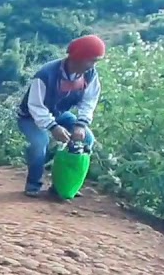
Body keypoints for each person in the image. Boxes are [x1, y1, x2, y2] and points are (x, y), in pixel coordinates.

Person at [16, 34, 106, 197]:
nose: (92, 66)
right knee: (39, 144)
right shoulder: (46, 75)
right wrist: (53, 127)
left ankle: (64, 184)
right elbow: (35, 105)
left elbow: (89, 100)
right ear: (78, 57)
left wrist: (81, 124)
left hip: (59, 113)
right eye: (91, 60)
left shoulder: (90, 75)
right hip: (30, 116)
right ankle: (33, 185)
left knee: (87, 139)